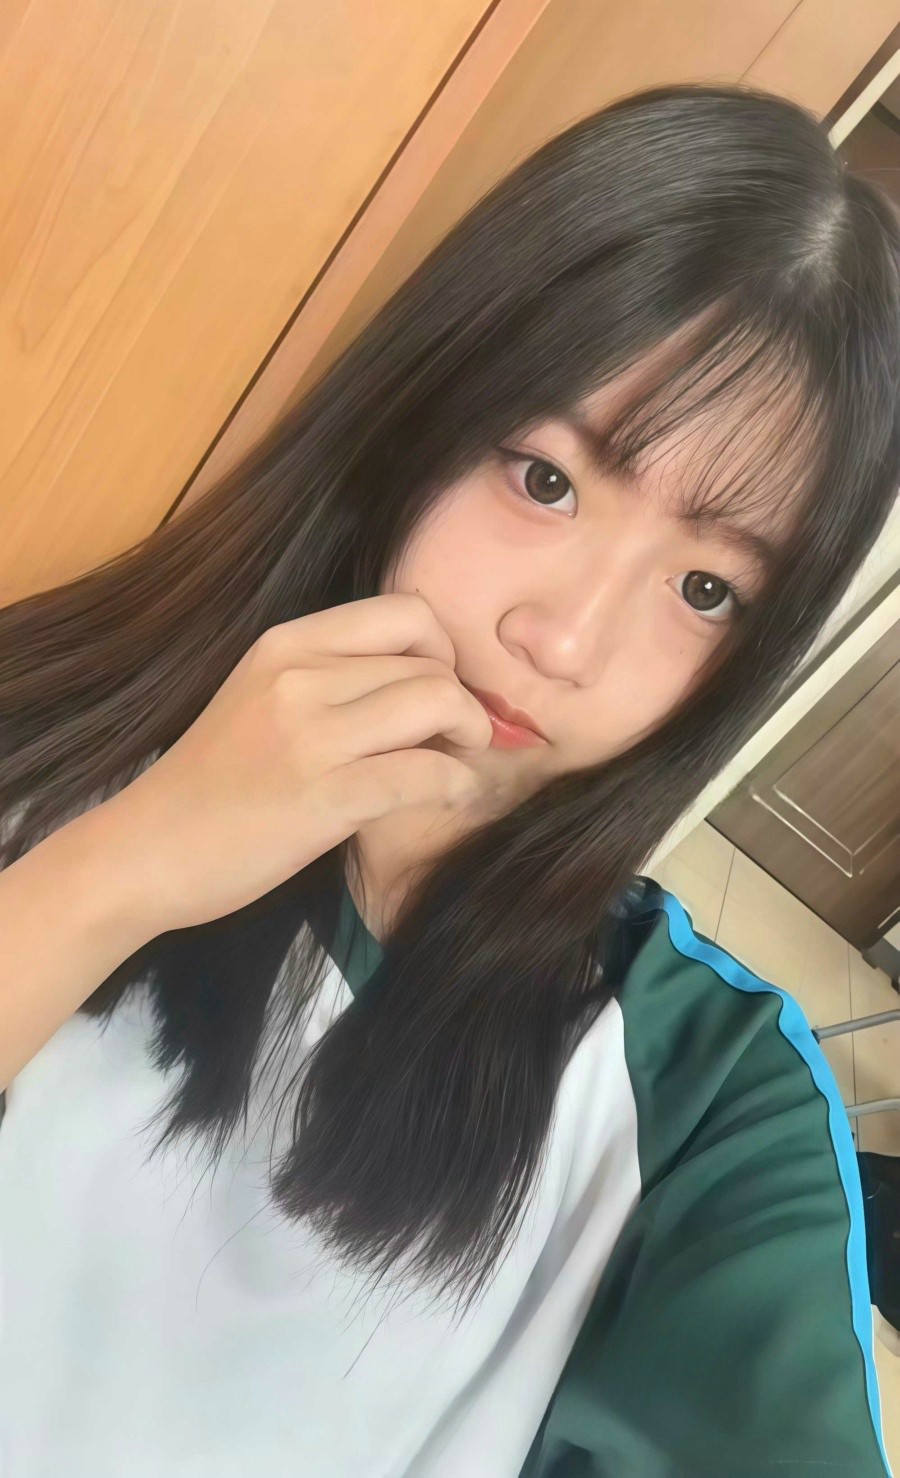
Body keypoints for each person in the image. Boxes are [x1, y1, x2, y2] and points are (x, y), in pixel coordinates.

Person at [0, 82, 897, 1478]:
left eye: (706, 588)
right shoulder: (51, 720)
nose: (567, 640)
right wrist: (121, 869)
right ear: (426, 403)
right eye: (546, 479)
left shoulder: (702, 1091)